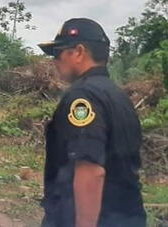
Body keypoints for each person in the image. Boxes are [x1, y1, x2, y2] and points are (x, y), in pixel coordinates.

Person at [38, 18, 146, 227]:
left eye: (58, 54)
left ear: (78, 52)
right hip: (126, 214)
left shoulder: (83, 97)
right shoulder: (117, 95)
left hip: (96, 218)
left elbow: (90, 170)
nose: (55, 62)